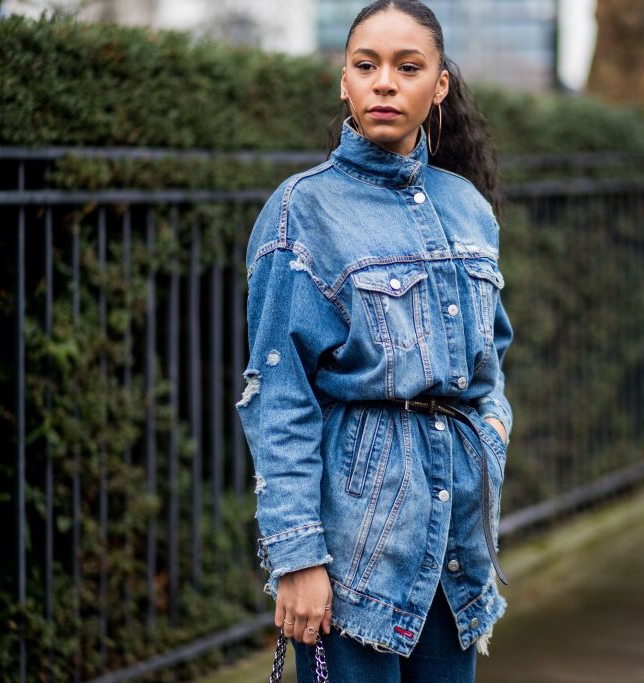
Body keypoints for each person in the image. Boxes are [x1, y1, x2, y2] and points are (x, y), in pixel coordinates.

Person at [235, 1, 514, 680]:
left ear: (439, 85)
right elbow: (278, 397)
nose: (384, 83)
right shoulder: (303, 209)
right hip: (355, 553)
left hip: (458, 551)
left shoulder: (468, 207)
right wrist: (297, 558)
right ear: (344, 81)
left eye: (407, 66)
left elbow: (492, 356)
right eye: (367, 65)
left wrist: (494, 432)